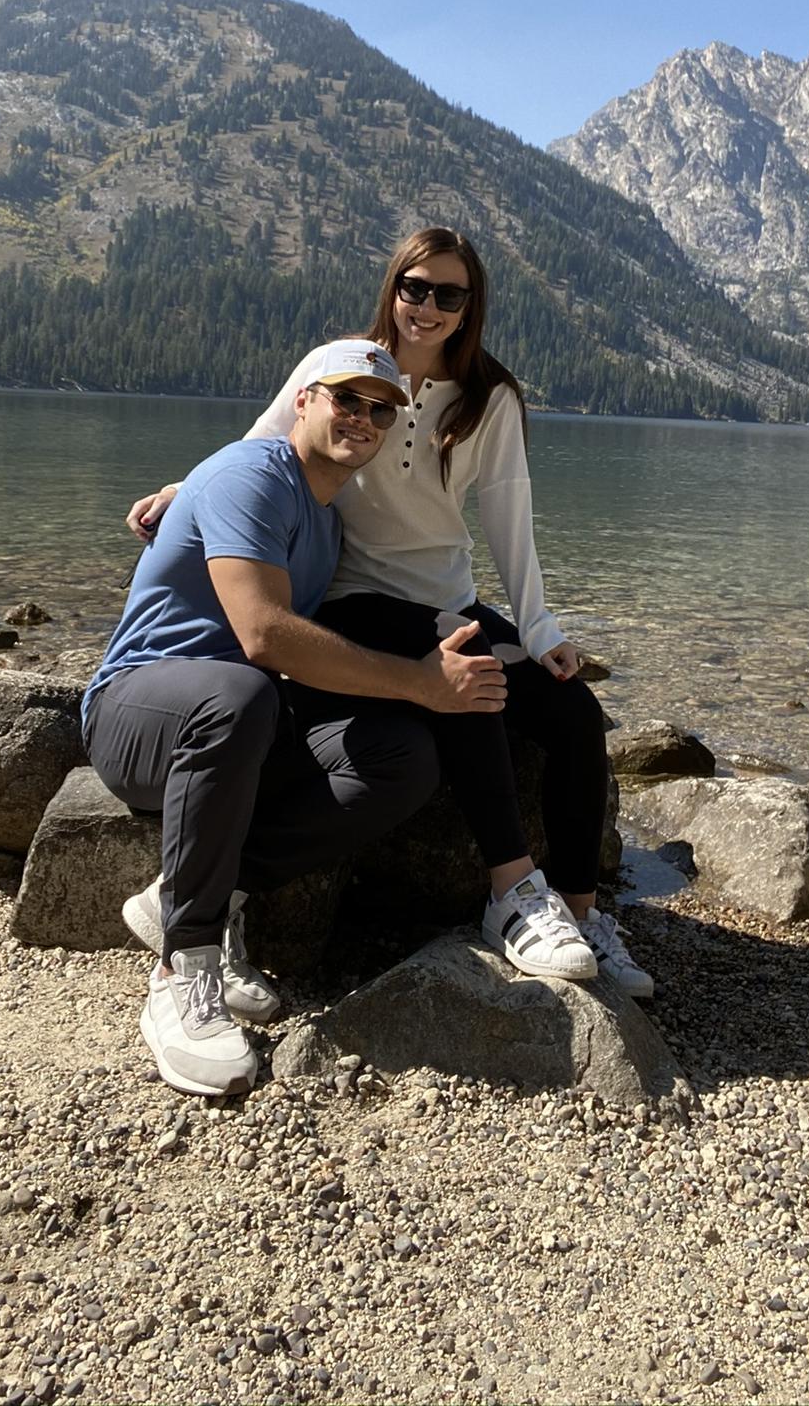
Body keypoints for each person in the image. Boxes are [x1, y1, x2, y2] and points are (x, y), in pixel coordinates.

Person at [128, 229, 652, 999]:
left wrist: (540, 632)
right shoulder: (339, 368)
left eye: (450, 294)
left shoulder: (490, 399)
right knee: (462, 670)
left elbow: (511, 518)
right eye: (416, 287)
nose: (429, 307)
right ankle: (512, 893)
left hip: (445, 597)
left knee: (572, 712)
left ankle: (578, 912)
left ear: (472, 307)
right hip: (354, 601)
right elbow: (261, 448)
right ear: (392, 287)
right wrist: (185, 492)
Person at [86, 336, 508, 1098]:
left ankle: (196, 896)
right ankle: (183, 971)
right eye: (347, 399)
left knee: (400, 755)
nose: (364, 419)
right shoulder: (252, 476)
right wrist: (418, 679)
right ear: (303, 402)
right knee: (241, 692)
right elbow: (264, 634)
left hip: (238, 724)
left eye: (381, 411)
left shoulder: (328, 521)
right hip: (138, 711)